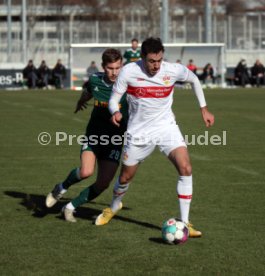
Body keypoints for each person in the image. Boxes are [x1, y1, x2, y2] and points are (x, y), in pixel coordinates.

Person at [95, 37, 215, 238]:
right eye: (151, 61)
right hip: (139, 133)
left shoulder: (172, 70)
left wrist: (203, 108)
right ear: (143, 57)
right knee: (125, 177)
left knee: (185, 167)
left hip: (166, 127)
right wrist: (115, 112)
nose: (156, 65)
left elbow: (194, 79)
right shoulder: (129, 72)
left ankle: (185, 223)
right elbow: (114, 100)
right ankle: (114, 206)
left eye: (159, 60)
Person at [45, 48, 128, 223]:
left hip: (115, 140)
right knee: (86, 171)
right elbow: (88, 92)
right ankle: (61, 188)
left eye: (118, 68)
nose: (114, 72)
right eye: (110, 68)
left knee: (103, 183)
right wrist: (80, 102)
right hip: (94, 136)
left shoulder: (128, 85)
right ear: (103, 67)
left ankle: (70, 207)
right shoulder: (95, 80)